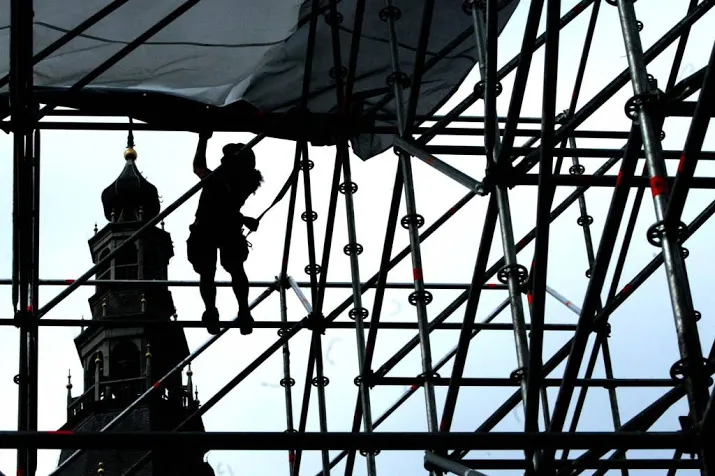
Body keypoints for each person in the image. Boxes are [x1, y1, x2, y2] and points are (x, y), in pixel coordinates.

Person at [187, 131, 263, 335]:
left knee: (210, 271)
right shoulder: (242, 180)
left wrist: (203, 139)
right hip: (222, 227)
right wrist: (244, 219)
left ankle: (214, 312)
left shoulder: (226, 179)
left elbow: (200, 169)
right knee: (231, 269)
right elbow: (227, 207)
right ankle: (240, 311)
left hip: (209, 227)